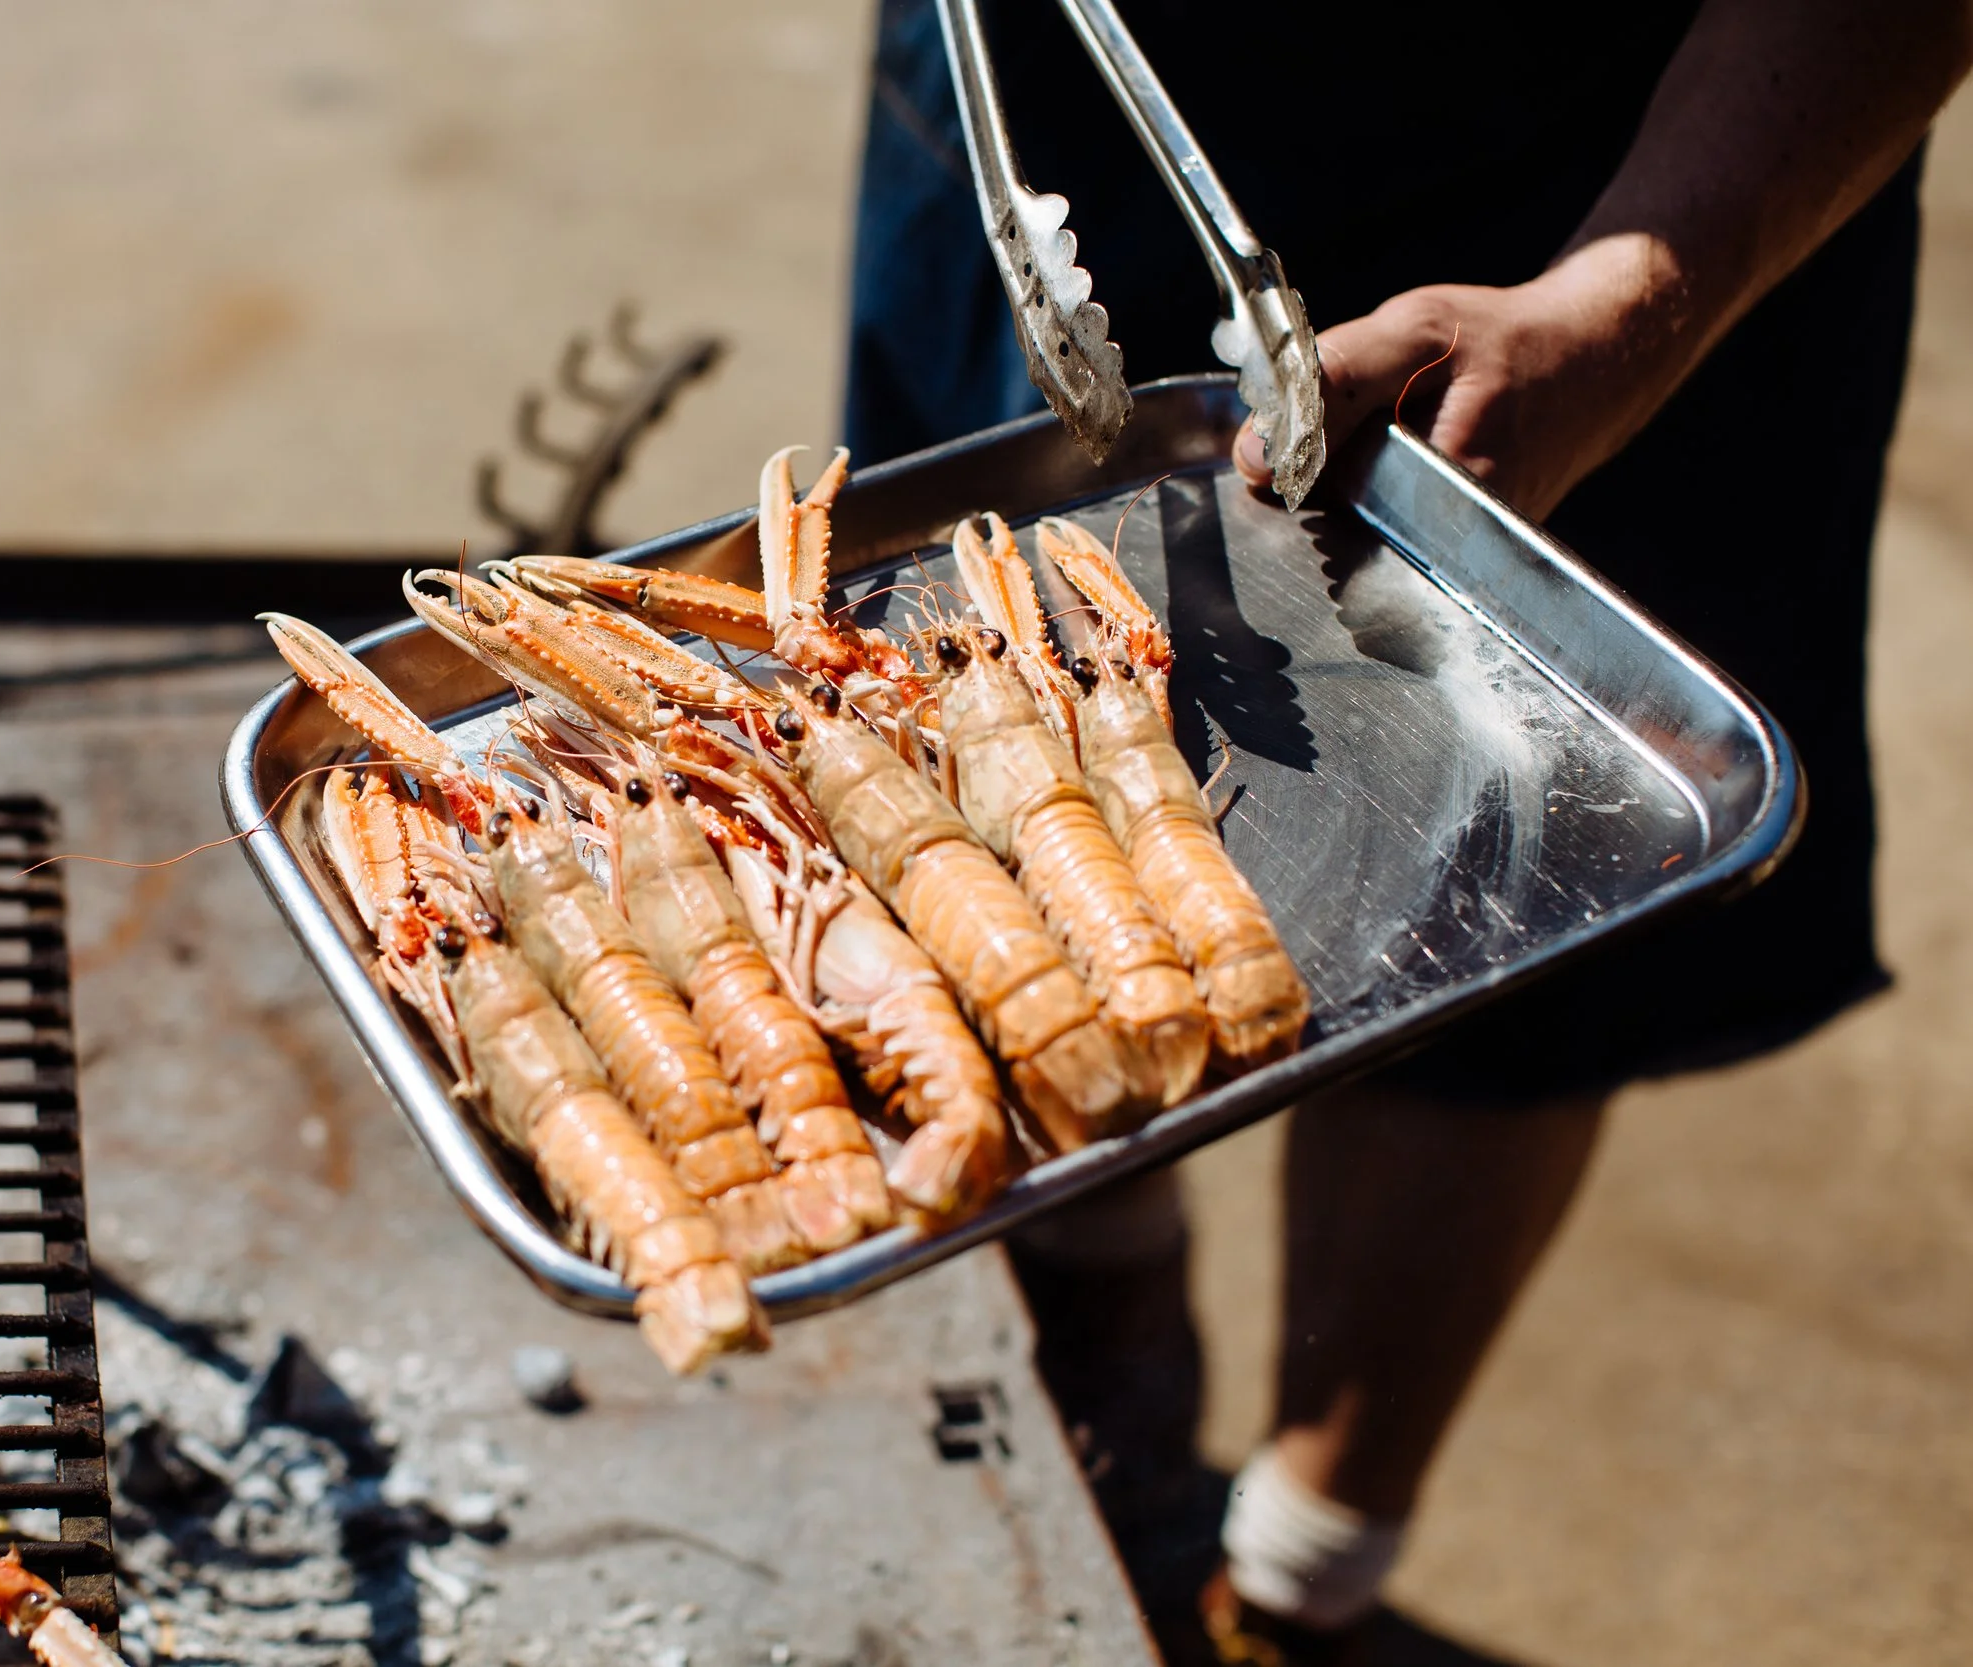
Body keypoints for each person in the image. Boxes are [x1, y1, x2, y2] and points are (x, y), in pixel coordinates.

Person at [842, 1, 1973, 1660]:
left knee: (1520, 911)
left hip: (1609, 163)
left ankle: (1301, 1572)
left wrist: (1631, 298)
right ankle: (1106, 1344)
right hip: (1041, 95)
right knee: (972, 757)